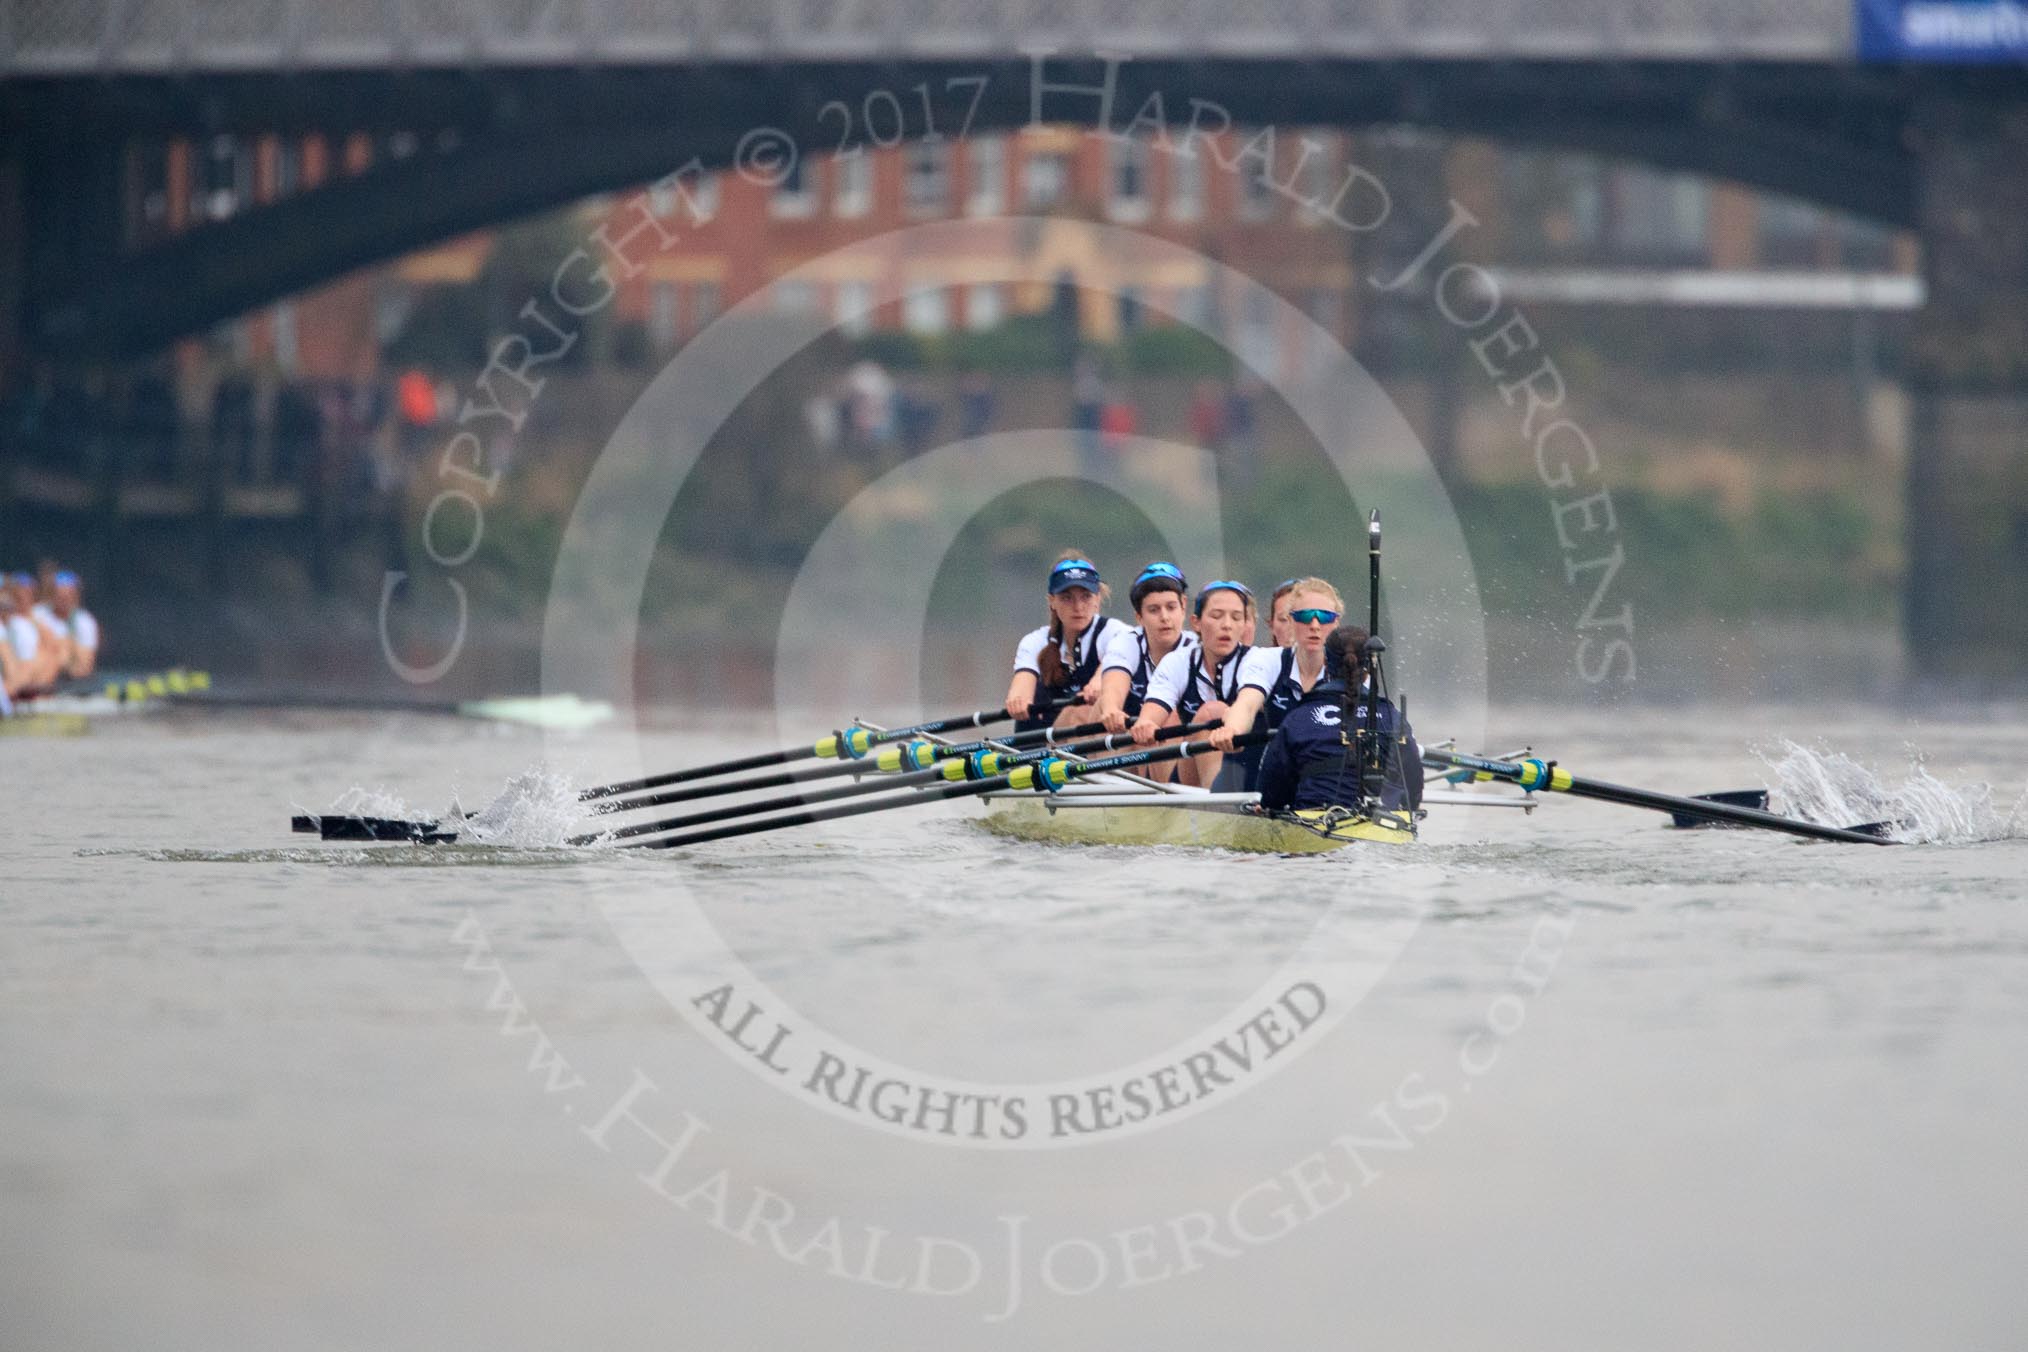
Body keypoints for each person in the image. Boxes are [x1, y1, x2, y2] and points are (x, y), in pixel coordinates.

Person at [1254, 625, 1423, 816]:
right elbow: (1413, 780)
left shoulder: (1298, 718)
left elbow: (1273, 791)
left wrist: (1271, 808)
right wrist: (1411, 808)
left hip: (1316, 822)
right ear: (1367, 667)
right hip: (1385, 824)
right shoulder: (1392, 716)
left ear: (1326, 662)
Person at [1129, 579, 1277, 787]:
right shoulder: (1178, 661)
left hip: (1250, 769)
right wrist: (1146, 723)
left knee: (1214, 711)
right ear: (1196, 622)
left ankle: (1216, 806)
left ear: (1244, 624)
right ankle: (1214, 808)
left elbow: (1248, 703)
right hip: (1192, 780)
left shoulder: (1259, 660)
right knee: (1196, 715)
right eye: (1216, 616)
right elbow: (1155, 707)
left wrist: (1232, 725)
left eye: (1236, 618)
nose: (1226, 625)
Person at [1004, 553, 1116, 733]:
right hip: (1037, 749)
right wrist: (1018, 699)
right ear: (1052, 601)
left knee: (1082, 711)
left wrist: (1100, 682)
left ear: (1097, 599)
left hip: (1085, 750)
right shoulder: (1034, 641)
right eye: (1067, 598)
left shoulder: (1115, 633)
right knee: (1076, 712)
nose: (1078, 607)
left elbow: (1115, 662)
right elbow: (1022, 685)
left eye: (1085, 597)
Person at [35, 569, 99, 679]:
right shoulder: (38, 614)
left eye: (69, 595)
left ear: (76, 596)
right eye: (60, 595)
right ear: (52, 595)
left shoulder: (84, 621)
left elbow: (85, 664)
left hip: (69, 683)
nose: (64, 600)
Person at [1267, 578, 1303, 647]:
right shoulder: (1257, 657)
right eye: (1283, 619)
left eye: (1301, 617)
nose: (1292, 627)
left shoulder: (1329, 657)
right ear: (1272, 625)